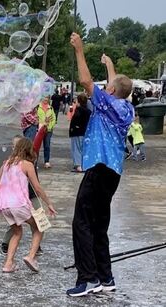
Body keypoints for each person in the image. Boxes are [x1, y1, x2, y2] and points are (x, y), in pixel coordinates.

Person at [67, 33, 134, 297]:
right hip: (113, 172)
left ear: (110, 91)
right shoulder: (124, 107)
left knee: (81, 222)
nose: (105, 88)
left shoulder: (107, 101)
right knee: (99, 224)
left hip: (98, 168)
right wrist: (109, 65)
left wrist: (80, 50)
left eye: (108, 85)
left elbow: (85, 80)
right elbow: (116, 85)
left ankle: (88, 278)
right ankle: (106, 277)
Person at [0, 138, 57, 273]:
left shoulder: (6, 164)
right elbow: (37, 187)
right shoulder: (27, 164)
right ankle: (31, 257)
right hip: (18, 204)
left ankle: (8, 264)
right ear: (28, 149)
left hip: (5, 206)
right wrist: (48, 203)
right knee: (39, 227)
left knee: (17, 232)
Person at [69, 93, 92, 172]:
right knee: (83, 149)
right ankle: (83, 165)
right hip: (85, 132)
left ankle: (78, 165)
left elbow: (76, 120)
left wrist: (74, 128)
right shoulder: (88, 111)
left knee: (76, 149)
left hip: (77, 132)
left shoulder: (79, 110)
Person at [37, 97, 56, 168]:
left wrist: (50, 126)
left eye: (47, 98)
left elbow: (54, 118)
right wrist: (41, 124)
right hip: (40, 129)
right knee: (37, 146)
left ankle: (46, 161)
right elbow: (36, 117)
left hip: (48, 130)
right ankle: (35, 160)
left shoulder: (50, 108)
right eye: (44, 98)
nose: (45, 99)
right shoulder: (38, 107)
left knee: (47, 145)